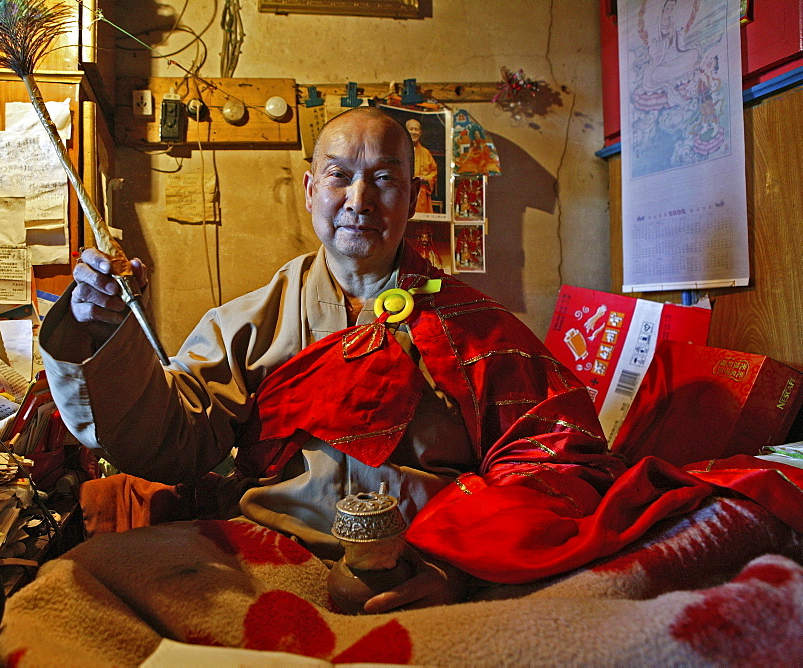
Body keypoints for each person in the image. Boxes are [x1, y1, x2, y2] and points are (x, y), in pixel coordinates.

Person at [39, 107, 628, 613]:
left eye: (384, 179)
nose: (359, 200)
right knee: (78, 582)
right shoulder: (250, 322)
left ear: (414, 198)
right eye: (340, 176)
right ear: (310, 190)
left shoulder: (474, 328)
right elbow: (173, 440)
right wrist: (101, 332)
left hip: (427, 565)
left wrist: (459, 571)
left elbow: (554, 460)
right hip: (270, 553)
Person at [405, 118, 438, 214]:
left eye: (416, 129)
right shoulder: (399, 151)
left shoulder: (426, 152)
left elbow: (434, 171)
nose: (414, 132)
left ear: (420, 132)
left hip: (421, 196)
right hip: (404, 194)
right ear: (406, 131)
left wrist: (426, 178)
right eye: (411, 129)